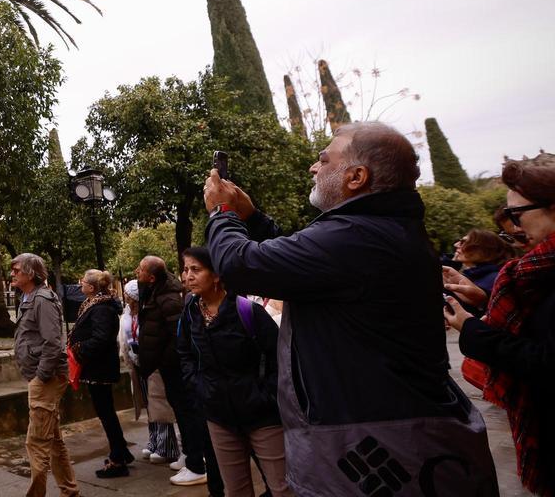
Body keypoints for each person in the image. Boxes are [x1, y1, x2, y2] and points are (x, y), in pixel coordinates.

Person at [205, 121, 497, 496]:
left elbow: (239, 265)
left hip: (377, 445)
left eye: (324, 159)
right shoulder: (376, 229)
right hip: (392, 427)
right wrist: (254, 220)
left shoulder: (357, 236)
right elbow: (301, 265)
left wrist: (222, 212)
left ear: (357, 176)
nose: (314, 167)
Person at [446, 153, 555, 496]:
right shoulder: (539, 267)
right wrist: (482, 302)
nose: (512, 226)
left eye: (515, 214)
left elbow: (546, 361)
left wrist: (473, 329)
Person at [178, 247, 289, 497]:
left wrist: (266, 396)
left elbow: (279, 358)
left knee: (283, 487)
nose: (188, 276)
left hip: (262, 416)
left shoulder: (247, 311)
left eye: (196, 269)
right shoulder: (190, 314)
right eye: (185, 270)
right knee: (235, 490)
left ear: (216, 275)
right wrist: (200, 387)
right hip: (219, 416)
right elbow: (184, 354)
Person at [135, 255, 218, 490]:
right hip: (170, 367)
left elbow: (177, 336)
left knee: (187, 413)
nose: (187, 275)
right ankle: (191, 457)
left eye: (140, 269)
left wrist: (165, 359)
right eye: (185, 269)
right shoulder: (157, 292)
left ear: (151, 277)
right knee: (183, 413)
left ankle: (196, 464)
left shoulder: (168, 297)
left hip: (175, 368)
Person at [11, 253, 78, 497]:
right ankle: (70, 492)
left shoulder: (43, 299)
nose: (13, 274)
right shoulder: (27, 297)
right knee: (53, 442)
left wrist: (41, 375)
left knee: (37, 442)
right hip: (39, 376)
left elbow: (53, 341)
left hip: (46, 378)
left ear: (31, 273)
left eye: (17, 270)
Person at [68, 269, 129, 478]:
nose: (80, 284)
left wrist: (78, 349)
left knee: (106, 414)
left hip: (99, 369)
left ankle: (118, 459)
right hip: (96, 367)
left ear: (92, 288)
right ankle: (122, 451)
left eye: (82, 281)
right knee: (106, 412)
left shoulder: (101, 308)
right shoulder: (96, 304)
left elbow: (102, 338)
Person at [120, 279, 180, 468]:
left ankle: (167, 446)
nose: (127, 300)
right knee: (148, 405)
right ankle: (154, 441)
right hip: (139, 364)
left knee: (160, 406)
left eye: (129, 297)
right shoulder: (129, 313)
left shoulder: (148, 312)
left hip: (153, 364)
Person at [453, 228, 514, 295]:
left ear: (484, 250)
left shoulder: (494, 281)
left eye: (463, 242)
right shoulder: (474, 275)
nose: (456, 245)